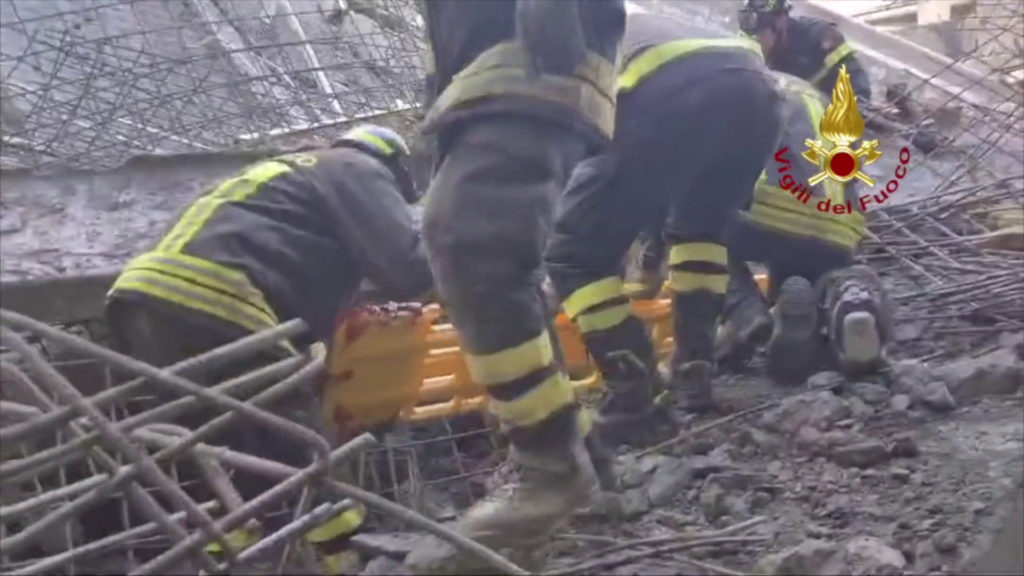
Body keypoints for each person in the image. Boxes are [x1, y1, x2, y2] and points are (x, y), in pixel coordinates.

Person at [104, 123, 433, 554]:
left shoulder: (281, 176)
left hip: (140, 302)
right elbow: (407, 268)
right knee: (294, 436)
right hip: (215, 295)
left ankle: (230, 552)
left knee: (220, 446)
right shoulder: (354, 167)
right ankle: (345, 554)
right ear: (395, 167)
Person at [404, 0, 625, 571]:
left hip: (528, 58)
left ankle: (553, 468)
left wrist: (550, 25)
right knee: (502, 266)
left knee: (473, 246)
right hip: (512, 65)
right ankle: (585, 460)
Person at [544, 10, 783, 428]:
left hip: (669, 87)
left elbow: (576, 163)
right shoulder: (627, 22)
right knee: (700, 233)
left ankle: (637, 395)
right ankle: (694, 374)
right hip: (755, 90)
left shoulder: (547, 49)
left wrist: (569, 252)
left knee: (572, 257)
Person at [715, 72, 893, 384]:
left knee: (691, 233)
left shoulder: (733, 87)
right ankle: (843, 294)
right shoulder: (815, 96)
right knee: (803, 274)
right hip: (839, 225)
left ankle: (747, 314)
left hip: (770, 211)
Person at [738, 0, 871, 103]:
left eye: (761, 33)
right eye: (750, 35)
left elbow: (858, 87)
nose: (755, 41)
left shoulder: (820, 40)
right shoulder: (749, 49)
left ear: (781, 21)